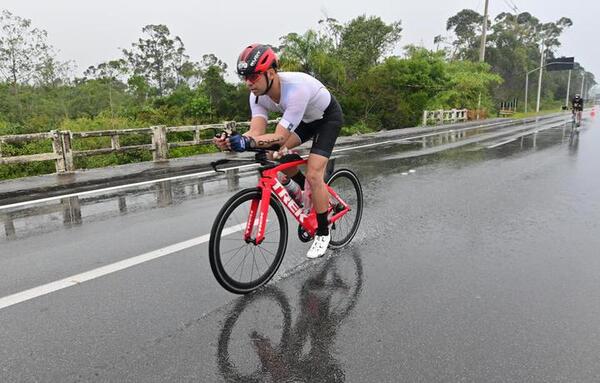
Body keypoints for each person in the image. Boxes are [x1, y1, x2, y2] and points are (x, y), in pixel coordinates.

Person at [213, 43, 344, 259]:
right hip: (304, 120)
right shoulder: (256, 95)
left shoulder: (296, 89)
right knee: (270, 154)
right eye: (244, 77)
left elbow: (280, 137)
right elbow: (257, 132)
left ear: (271, 73)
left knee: (314, 172)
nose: (248, 83)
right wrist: (235, 141)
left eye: (253, 76)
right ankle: (305, 193)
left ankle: (322, 232)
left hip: (326, 119)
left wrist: (248, 142)